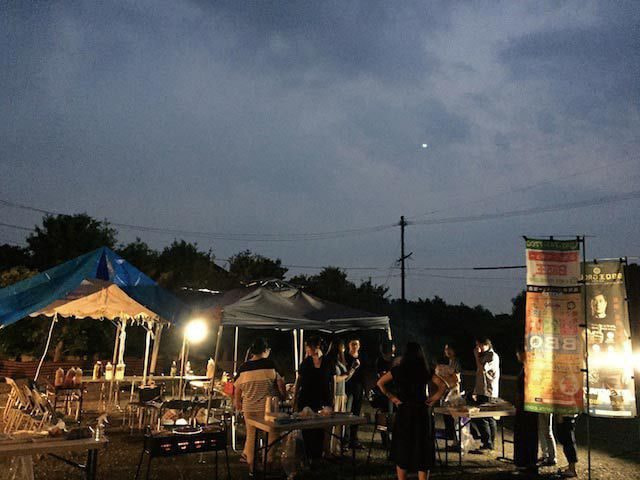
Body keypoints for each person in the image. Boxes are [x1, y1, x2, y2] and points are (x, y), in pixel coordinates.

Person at [377, 342, 447, 480]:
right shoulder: (425, 369)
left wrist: (392, 398)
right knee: (422, 446)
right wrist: (432, 400)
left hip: (405, 410)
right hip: (422, 411)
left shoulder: (398, 370)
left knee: (403, 445)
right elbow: (443, 386)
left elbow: (380, 383)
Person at [234, 338, 286, 471]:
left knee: (251, 436)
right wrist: (283, 396)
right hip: (267, 408)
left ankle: (252, 466)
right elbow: (281, 384)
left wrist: (237, 402)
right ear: (265, 350)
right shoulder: (271, 364)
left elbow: (237, 389)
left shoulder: (243, 367)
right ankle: (267, 461)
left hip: (249, 408)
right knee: (272, 435)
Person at [294, 336, 334, 459]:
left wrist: (331, 399)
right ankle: (308, 455)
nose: (307, 349)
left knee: (320, 429)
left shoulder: (327, 361)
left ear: (316, 347)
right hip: (306, 398)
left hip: (322, 399)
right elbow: (299, 381)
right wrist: (294, 398)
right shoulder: (306, 363)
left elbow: (332, 381)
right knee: (307, 429)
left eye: (308, 346)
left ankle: (317, 455)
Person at [326, 339, 358, 454]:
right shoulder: (330, 362)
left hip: (341, 394)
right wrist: (346, 374)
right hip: (335, 395)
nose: (343, 350)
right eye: (342, 348)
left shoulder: (339, 362)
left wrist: (353, 369)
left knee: (340, 425)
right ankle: (328, 449)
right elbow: (334, 379)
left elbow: (345, 378)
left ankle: (337, 449)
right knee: (332, 424)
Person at [471, 337, 500, 451]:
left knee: (484, 417)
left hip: (488, 391)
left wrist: (476, 356)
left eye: (479, 345)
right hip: (481, 390)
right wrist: (475, 391)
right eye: (476, 345)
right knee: (486, 418)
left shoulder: (492, 356)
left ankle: (488, 443)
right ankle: (488, 443)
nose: (478, 348)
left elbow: (482, 369)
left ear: (487, 345)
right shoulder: (484, 355)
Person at [513, 346, 538, 475]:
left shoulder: (530, 368)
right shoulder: (526, 367)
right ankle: (527, 463)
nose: (517, 356)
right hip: (526, 406)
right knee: (527, 434)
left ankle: (526, 464)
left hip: (527, 406)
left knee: (526, 434)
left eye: (518, 353)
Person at [345, 337, 365, 449]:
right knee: (348, 413)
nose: (355, 346)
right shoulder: (346, 357)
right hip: (348, 388)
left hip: (358, 388)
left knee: (356, 413)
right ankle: (345, 440)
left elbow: (363, 374)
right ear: (349, 345)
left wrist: (365, 388)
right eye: (353, 344)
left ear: (359, 346)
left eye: (356, 344)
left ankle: (354, 439)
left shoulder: (361, 357)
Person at [442, 343, 462, 448]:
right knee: (449, 416)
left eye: (449, 349)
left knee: (454, 417)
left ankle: (457, 441)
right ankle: (454, 440)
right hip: (449, 391)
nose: (447, 351)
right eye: (446, 349)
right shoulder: (450, 362)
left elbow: (457, 378)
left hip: (453, 392)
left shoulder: (456, 362)